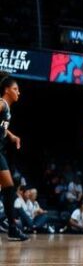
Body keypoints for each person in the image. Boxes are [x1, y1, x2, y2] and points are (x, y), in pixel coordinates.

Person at [0, 73, 28, 242]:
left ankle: (11, 226)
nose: (19, 92)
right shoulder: (1, 103)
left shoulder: (6, 108)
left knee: (9, 188)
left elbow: (1, 126)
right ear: (6, 90)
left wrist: (11, 136)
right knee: (9, 187)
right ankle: (11, 226)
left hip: (1, 151)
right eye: (15, 89)